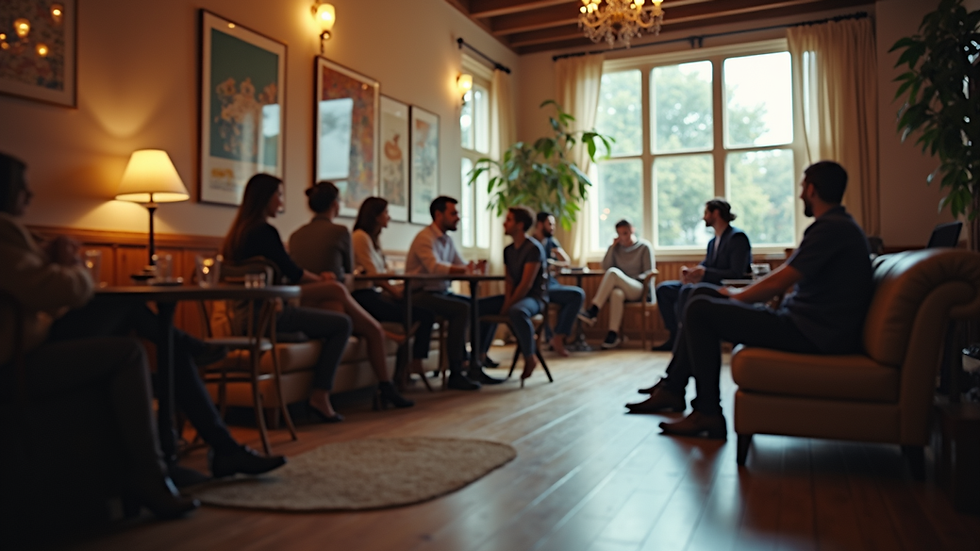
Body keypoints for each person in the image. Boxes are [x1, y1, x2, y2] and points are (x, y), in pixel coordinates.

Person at [0, 152, 198, 519]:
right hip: (14, 364)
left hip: (23, 348)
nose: (30, 197)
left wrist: (53, 262)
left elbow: (45, 295)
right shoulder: (4, 234)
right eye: (23, 189)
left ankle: (149, 464)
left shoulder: (14, 238)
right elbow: (59, 291)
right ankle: (150, 473)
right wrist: (70, 263)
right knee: (129, 351)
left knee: (126, 312)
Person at [627, 161, 873, 440]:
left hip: (809, 332)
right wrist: (736, 296)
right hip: (806, 325)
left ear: (813, 189)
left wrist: (738, 296)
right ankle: (673, 388)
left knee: (698, 308)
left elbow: (781, 280)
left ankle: (706, 411)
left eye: (803, 187)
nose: (801, 193)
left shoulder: (830, 229)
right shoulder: (838, 226)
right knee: (700, 294)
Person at [222, 175, 407, 421]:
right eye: (278, 195)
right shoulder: (264, 232)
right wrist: (323, 280)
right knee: (342, 322)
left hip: (246, 315)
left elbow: (283, 275)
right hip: (269, 315)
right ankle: (321, 395)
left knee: (335, 292)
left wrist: (322, 280)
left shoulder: (236, 235)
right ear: (265, 198)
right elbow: (293, 273)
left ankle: (378, 341)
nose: (281, 201)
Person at [286, 181, 414, 409]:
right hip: (332, 303)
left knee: (365, 321)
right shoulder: (340, 232)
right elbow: (346, 277)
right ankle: (387, 387)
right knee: (372, 330)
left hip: (302, 303)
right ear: (336, 204)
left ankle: (388, 353)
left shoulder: (296, 235)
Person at [405, 196, 501, 391]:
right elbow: (434, 268)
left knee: (486, 305)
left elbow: (460, 265)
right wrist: (466, 269)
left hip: (440, 293)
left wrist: (472, 267)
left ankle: (477, 362)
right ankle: (456, 371)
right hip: (420, 295)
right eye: (454, 213)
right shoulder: (425, 237)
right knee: (462, 309)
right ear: (438, 215)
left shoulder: (447, 240)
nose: (458, 217)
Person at [349, 197, 437, 376]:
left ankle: (408, 365)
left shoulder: (374, 240)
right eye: (386, 213)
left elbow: (384, 271)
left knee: (425, 314)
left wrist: (396, 289)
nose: (389, 217)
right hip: (363, 297)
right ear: (375, 216)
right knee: (419, 315)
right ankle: (409, 365)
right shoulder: (360, 237)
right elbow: (373, 274)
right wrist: (394, 292)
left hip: (375, 294)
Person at [652, 199, 751, 351]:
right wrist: (691, 272)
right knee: (664, 289)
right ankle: (675, 336)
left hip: (723, 287)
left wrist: (705, 273)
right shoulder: (713, 241)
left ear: (716, 213)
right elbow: (706, 265)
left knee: (687, 291)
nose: (703, 217)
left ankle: (687, 341)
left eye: (706, 213)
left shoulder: (737, 238)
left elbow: (736, 273)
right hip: (706, 283)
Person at [477, 207, 549, 385]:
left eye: (508, 220)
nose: (504, 223)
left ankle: (530, 356)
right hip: (515, 296)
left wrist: (509, 305)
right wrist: (506, 301)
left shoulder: (534, 248)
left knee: (517, 311)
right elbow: (509, 281)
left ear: (520, 225)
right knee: (478, 306)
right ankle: (479, 356)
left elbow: (526, 284)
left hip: (534, 298)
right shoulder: (508, 250)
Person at [577, 219, 655, 349]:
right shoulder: (616, 248)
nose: (623, 237)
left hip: (638, 288)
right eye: (620, 234)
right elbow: (605, 266)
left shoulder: (644, 247)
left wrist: (627, 278)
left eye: (625, 233)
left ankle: (594, 310)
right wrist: (612, 248)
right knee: (616, 293)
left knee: (613, 273)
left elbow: (648, 272)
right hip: (621, 288)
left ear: (632, 230)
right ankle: (613, 334)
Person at [532, 212, 584, 357]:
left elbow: (566, 261)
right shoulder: (531, 243)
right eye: (550, 224)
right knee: (542, 302)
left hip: (552, 284)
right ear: (540, 224)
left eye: (554, 224)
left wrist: (552, 264)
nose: (553, 227)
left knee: (577, 294)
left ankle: (558, 337)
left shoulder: (551, 242)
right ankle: (549, 337)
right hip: (538, 287)